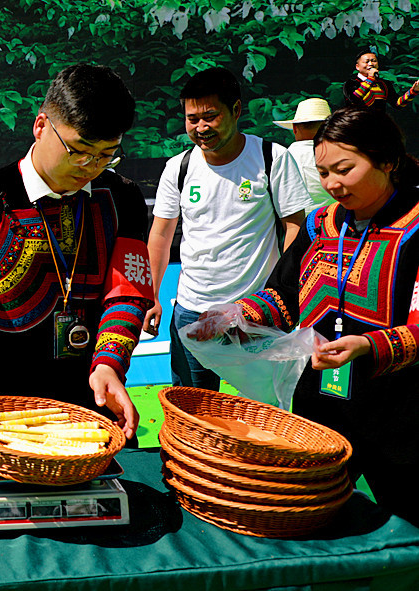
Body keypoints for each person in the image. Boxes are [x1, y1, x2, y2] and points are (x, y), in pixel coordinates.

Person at [201, 107, 419, 525]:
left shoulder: (416, 227)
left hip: (399, 415)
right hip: (321, 405)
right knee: (307, 514)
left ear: (388, 161)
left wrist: (368, 345)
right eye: (323, 173)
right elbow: (285, 293)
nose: (332, 184)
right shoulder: (322, 224)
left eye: (344, 170)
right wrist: (237, 315)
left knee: (407, 527)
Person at [0, 63, 153, 441]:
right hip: (5, 408)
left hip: (92, 402)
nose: (90, 167)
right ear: (41, 125)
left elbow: (127, 293)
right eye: (78, 151)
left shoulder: (123, 198)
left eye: (106, 155)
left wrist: (109, 364)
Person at [144, 67, 312, 392]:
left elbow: (293, 228)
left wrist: (281, 295)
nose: (201, 127)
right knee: (193, 407)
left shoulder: (271, 158)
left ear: (235, 110)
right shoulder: (178, 168)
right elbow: (161, 235)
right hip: (192, 313)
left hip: (255, 313)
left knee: (263, 408)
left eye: (210, 117)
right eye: (192, 119)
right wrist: (151, 295)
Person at [273, 97, 334, 213]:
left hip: (295, 223)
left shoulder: (279, 158)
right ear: (330, 128)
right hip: (336, 221)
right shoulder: (342, 156)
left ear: (294, 129)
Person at [343, 49, 419, 112]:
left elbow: (397, 104)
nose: (371, 64)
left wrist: (413, 91)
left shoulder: (384, 84)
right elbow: (353, 100)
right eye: (366, 61)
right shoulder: (351, 83)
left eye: (374, 61)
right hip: (357, 123)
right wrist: (370, 79)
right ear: (357, 67)